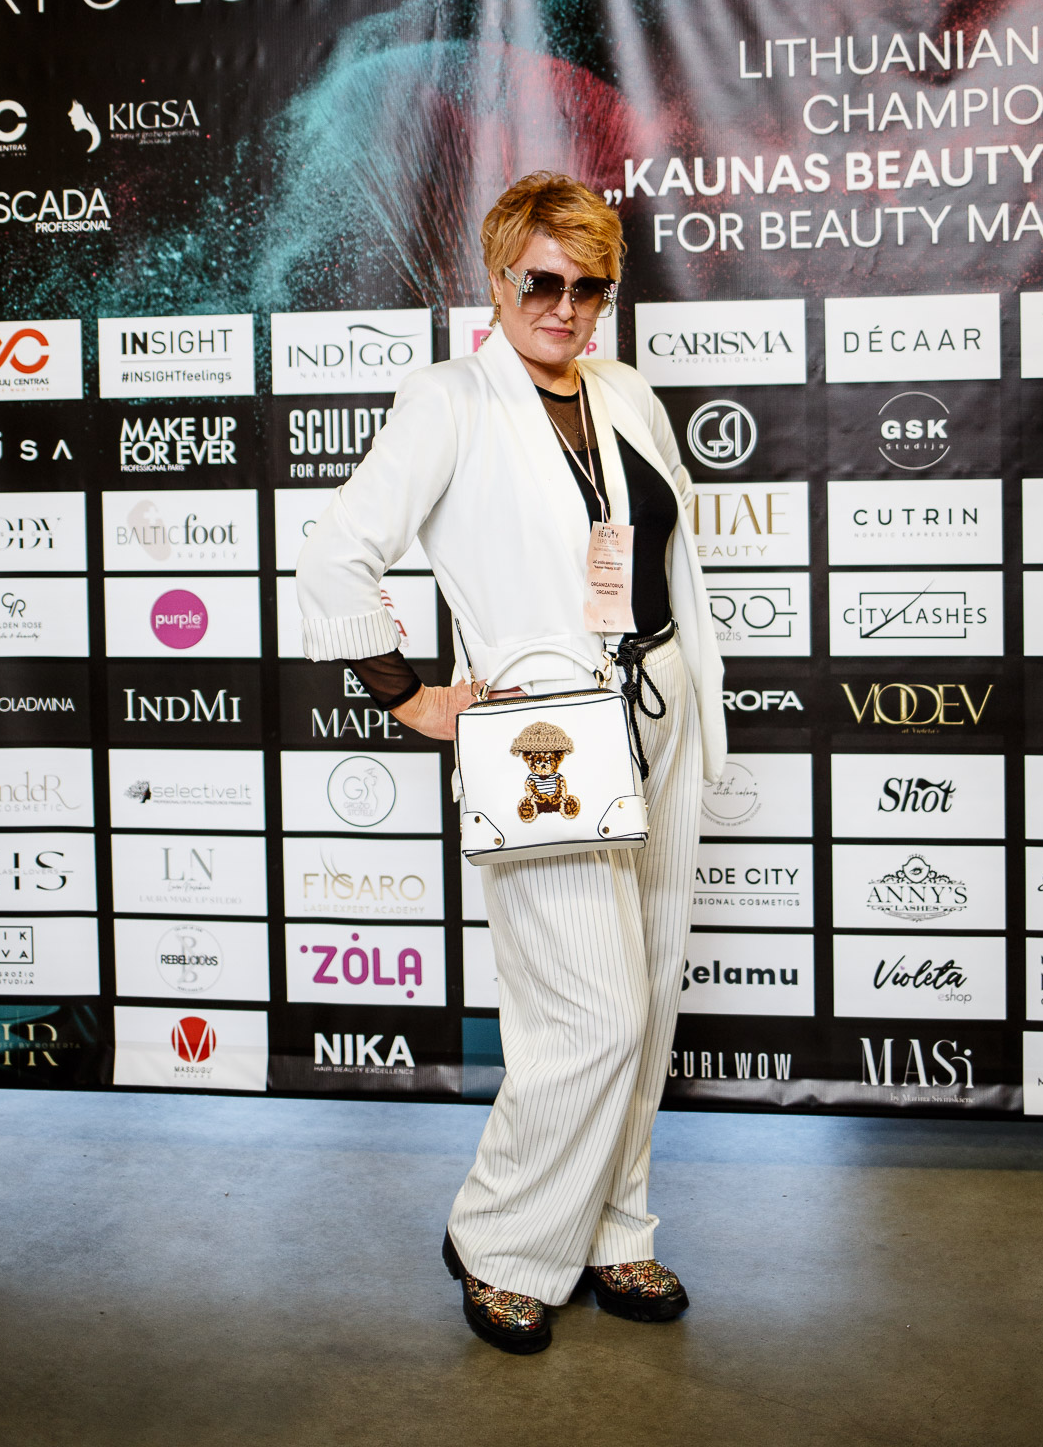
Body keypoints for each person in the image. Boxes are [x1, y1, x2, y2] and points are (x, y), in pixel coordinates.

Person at [296, 172, 725, 1354]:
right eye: (541, 282)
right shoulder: (450, 399)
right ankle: (500, 1241)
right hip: (542, 739)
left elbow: (659, 561)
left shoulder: (625, 393)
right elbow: (335, 557)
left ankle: (613, 1229)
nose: (564, 307)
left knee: (646, 1000)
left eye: (590, 287)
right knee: (589, 1013)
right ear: (494, 279)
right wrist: (410, 697)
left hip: (654, 714)